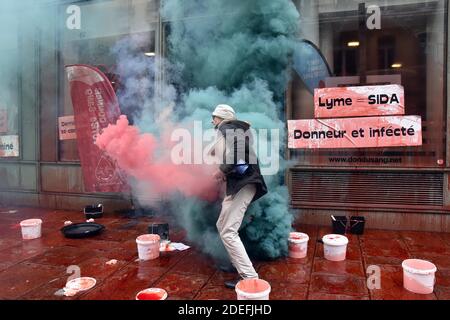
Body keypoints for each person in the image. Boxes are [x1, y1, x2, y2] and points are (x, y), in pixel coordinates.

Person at [208, 104, 268, 289]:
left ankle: (249, 278)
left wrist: (221, 170)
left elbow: (238, 152)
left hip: (243, 185)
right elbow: (237, 157)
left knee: (228, 231)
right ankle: (239, 264)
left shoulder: (227, 127)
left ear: (222, 118)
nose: (212, 121)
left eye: (214, 117)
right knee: (223, 226)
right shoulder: (232, 130)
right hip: (240, 185)